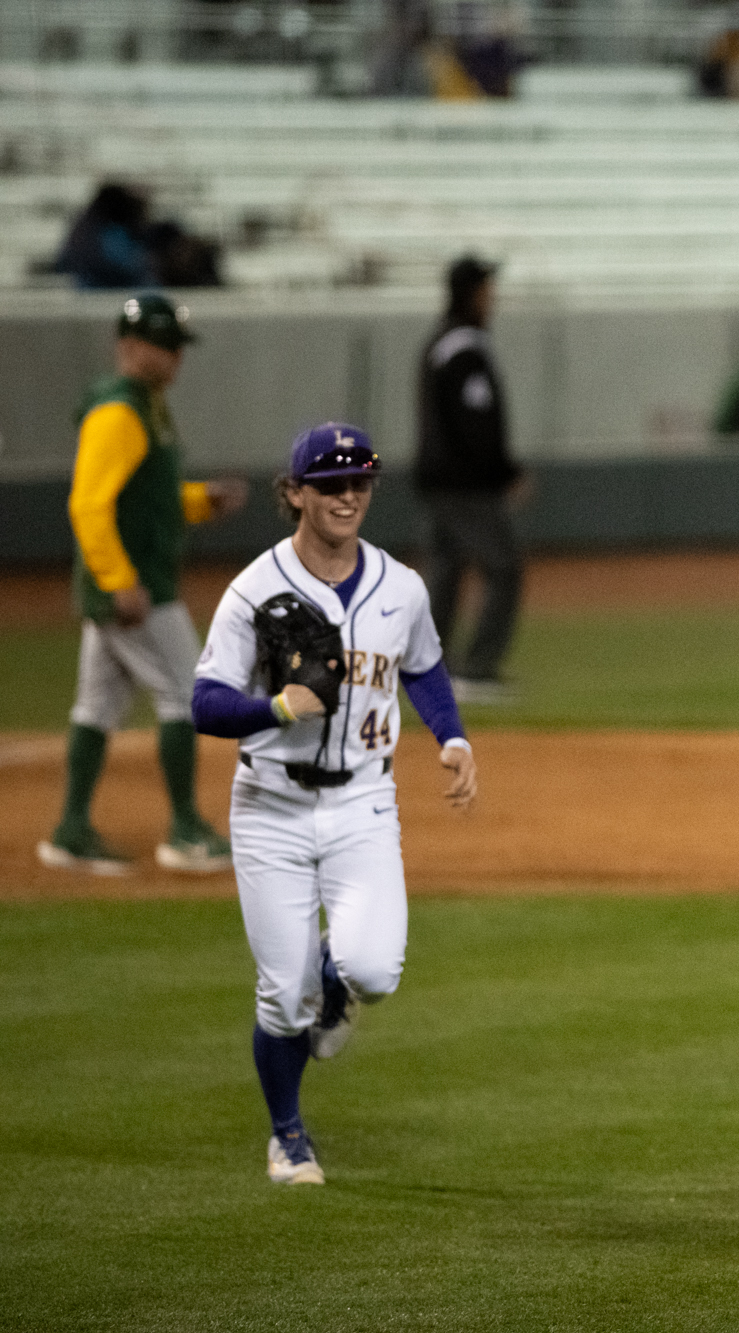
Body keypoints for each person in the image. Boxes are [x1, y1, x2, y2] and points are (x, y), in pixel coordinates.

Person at [190, 423, 477, 1185]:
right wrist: (277, 708)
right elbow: (206, 703)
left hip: (364, 804)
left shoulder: (401, 586)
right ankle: (287, 1135)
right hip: (270, 806)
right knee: (283, 1001)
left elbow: (425, 667)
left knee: (374, 970)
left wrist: (453, 738)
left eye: (359, 482)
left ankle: (333, 974)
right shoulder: (253, 589)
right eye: (329, 483)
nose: (347, 495)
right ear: (295, 494)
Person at [38, 294, 247, 876]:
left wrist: (200, 501)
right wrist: (119, 581)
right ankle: (184, 831)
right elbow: (88, 505)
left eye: (178, 346)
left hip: (131, 584)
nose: (175, 357)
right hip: (137, 591)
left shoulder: (147, 406)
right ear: (128, 346)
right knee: (187, 694)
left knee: (98, 705)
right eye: (163, 345)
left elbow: (147, 502)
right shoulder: (119, 412)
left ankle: (70, 830)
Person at [416, 254, 526, 703]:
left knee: (445, 572)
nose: (492, 297)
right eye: (486, 289)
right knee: (503, 568)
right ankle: (477, 671)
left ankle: (429, 671)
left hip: (440, 480)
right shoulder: (463, 349)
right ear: (470, 294)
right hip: (466, 486)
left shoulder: (442, 343)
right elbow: (475, 426)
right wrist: (505, 473)